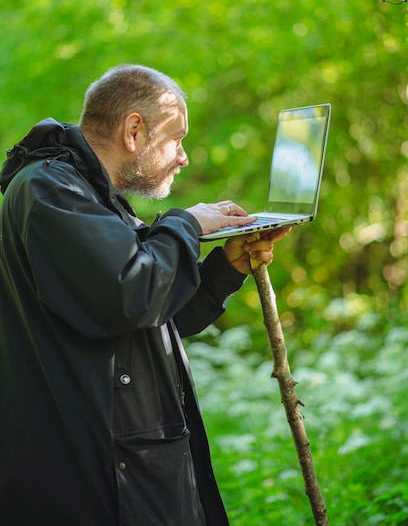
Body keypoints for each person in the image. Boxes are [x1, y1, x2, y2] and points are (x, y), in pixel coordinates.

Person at [0, 64, 290, 526]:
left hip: (129, 469)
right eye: (177, 139)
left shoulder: (92, 194)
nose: (184, 157)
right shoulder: (51, 189)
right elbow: (129, 295)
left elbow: (153, 313)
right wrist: (187, 223)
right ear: (134, 130)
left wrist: (222, 270)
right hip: (95, 478)